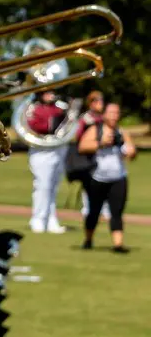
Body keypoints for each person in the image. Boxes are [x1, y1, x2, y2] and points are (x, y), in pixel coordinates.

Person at [77, 102, 136, 253]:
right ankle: (88, 240)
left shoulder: (122, 132)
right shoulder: (95, 130)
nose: (114, 116)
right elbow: (82, 147)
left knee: (117, 212)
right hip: (98, 178)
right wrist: (101, 143)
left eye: (117, 113)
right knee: (94, 211)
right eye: (111, 113)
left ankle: (118, 245)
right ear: (104, 114)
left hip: (118, 177)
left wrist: (129, 152)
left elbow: (132, 152)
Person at [27, 90, 69, 233]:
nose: (52, 94)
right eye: (48, 92)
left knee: (53, 187)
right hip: (41, 150)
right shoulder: (34, 108)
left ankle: (51, 219)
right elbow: (33, 126)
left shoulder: (60, 107)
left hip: (58, 148)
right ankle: (37, 219)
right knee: (42, 186)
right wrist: (52, 123)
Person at [76, 91, 109, 220]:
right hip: (90, 155)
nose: (101, 104)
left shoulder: (104, 118)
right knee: (89, 182)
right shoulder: (86, 119)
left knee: (106, 180)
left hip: (104, 154)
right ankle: (87, 208)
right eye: (98, 101)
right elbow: (79, 136)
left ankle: (105, 209)